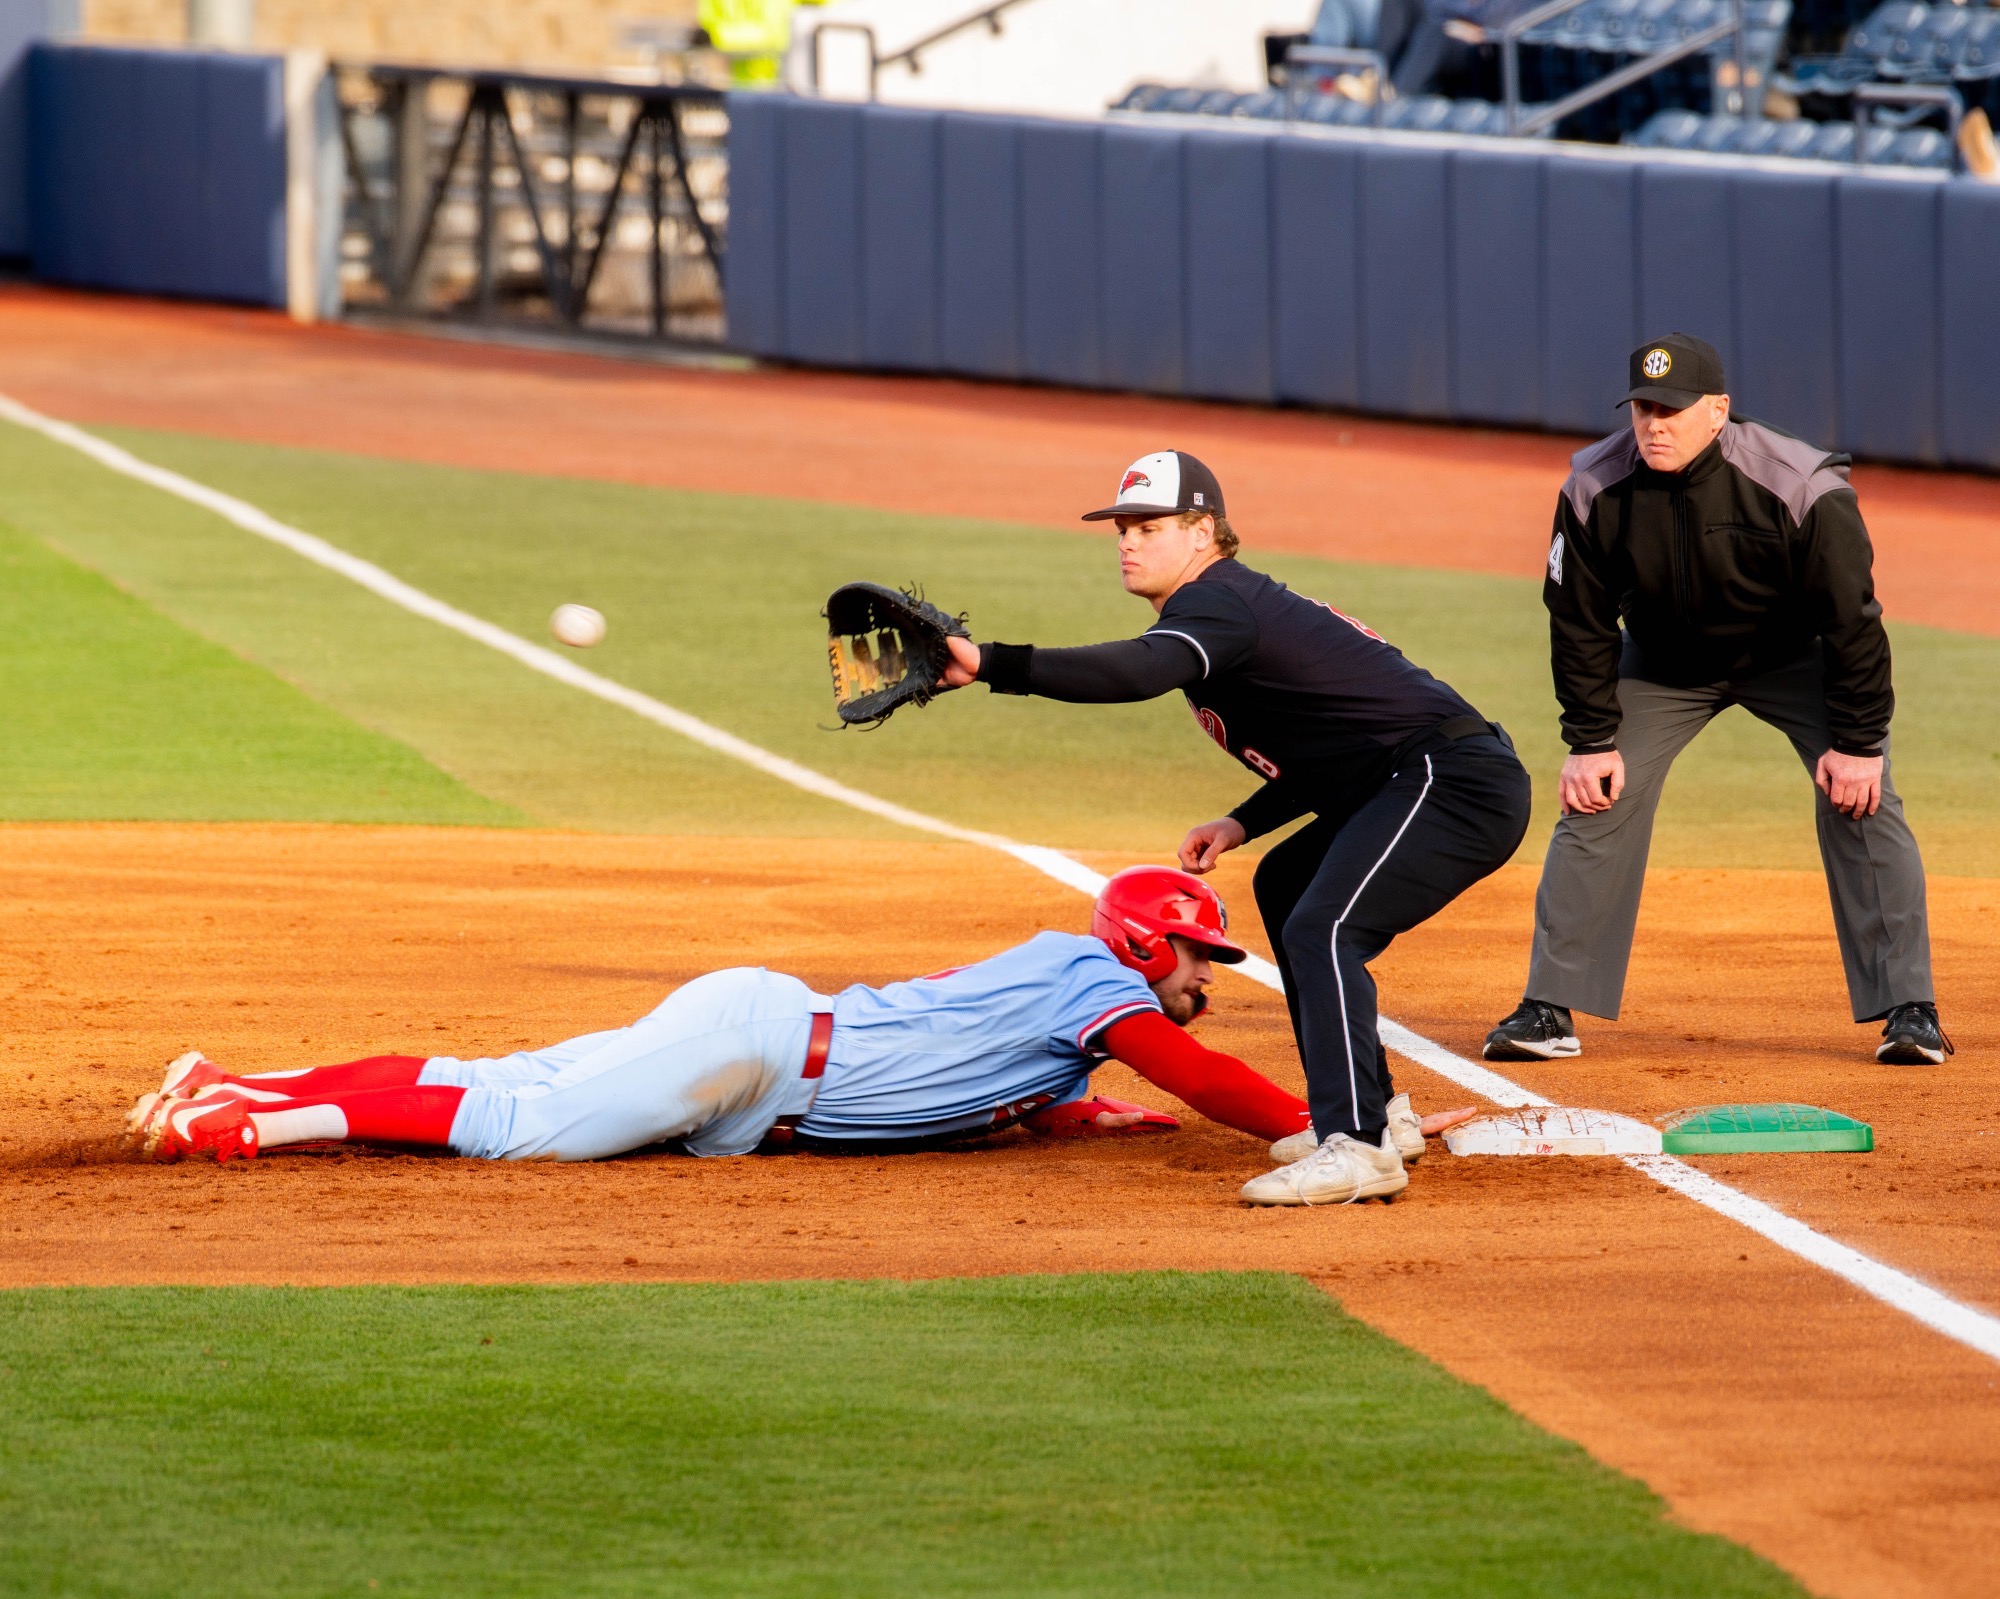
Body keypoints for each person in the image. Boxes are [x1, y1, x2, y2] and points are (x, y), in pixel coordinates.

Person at [941, 451, 1529, 1207]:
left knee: (1325, 928)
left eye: (1147, 526)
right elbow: (1339, 741)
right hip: (1405, 774)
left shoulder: (1219, 604)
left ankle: (1356, 1146)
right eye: (1121, 527)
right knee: (1287, 886)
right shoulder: (1221, 608)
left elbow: (1137, 672)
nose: (1127, 541)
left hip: (1449, 779)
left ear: (1202, 530)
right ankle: (1378, 1114)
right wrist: (1244, 819)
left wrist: (992, 662)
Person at [123, 866, 1467, 1178]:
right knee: (512, 1121)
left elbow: (1068, 1086)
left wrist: (1085, 1111)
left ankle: (232, 1073)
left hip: (762, 1026)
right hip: (759, 1052)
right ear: (1143, 936)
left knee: (494, 1076)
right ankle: (242, 1121)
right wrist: (1336, 1120)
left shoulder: (1065, 1006)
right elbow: (1200, 1073)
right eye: (1197, 951)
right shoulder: (1099, 986)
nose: (1205, 972)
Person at [1483, 333, 1950, 1067]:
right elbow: (1578, 622)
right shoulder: (1592, 488)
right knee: (1596, 795)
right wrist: (1590, 738)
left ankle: (1911, 1009)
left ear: (1719, 411)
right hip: (1665, 664)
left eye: (1672, 408)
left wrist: (1858, 744)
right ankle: (1549, 1007)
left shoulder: (1801, 486)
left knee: (1862, 797)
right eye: (1643, 407)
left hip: (1793, 657)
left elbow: (1853, 622)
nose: (1654, 424)